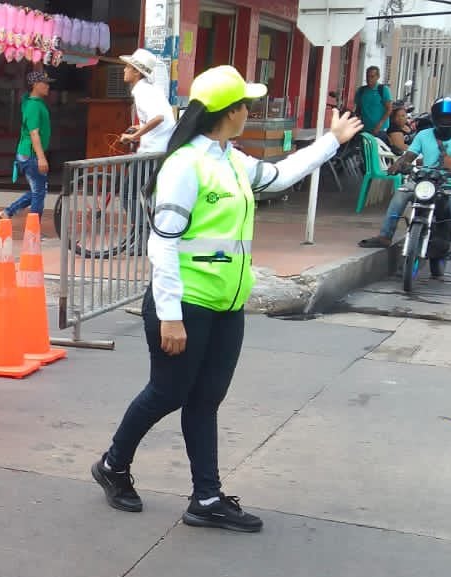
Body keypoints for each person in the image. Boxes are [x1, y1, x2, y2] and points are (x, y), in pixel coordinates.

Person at [89, 65, 362, 533]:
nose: (249, 113)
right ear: (229, 112)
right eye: (246, 106)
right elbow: (163, 244)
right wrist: (171, 317)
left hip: (226, 303)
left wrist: (331, 141)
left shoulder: (231, 159)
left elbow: (279, 175)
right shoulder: (184, 166)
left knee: (206, 399)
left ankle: (207, 498)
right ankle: (114, 465)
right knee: (168, 392)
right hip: (186, 303)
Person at [360, 97, 451, 289]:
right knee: (401, 194)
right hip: (423, 181)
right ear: (435, 117)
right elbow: (409, 155)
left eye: (450, 117)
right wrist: (399, 165)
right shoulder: (424, 135)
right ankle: (385, 235)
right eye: (442, 117)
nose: (446, 121)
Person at [0, 68, 54, 220]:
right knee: (38, 193)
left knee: (38, 191)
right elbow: (34, 133)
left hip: (28, 154)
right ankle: (33, 230)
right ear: (35, 84)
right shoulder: (34, 106)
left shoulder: (30, 102)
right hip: (31, 155)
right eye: (45, 83)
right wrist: (41, 158)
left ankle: (7, 213)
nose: (48, 86)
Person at [117, 49, 175, 154]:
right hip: (161, 149)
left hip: (153, 151)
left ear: (136, 72)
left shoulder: (142, 91)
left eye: (127, 67)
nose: (124, 70)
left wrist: (133, 136)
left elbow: (158, 118)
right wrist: (140, 127)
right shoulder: (149, 89)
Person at [355, 66, 393, 136]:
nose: (369, 79)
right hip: (364, 129)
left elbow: (389, 109)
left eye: (372, 76)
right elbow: (358, 109)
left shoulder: (383, 90)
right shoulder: (361, 91)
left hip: (379, 130)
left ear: (378, 77)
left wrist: (380, 124)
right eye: (367, 76)